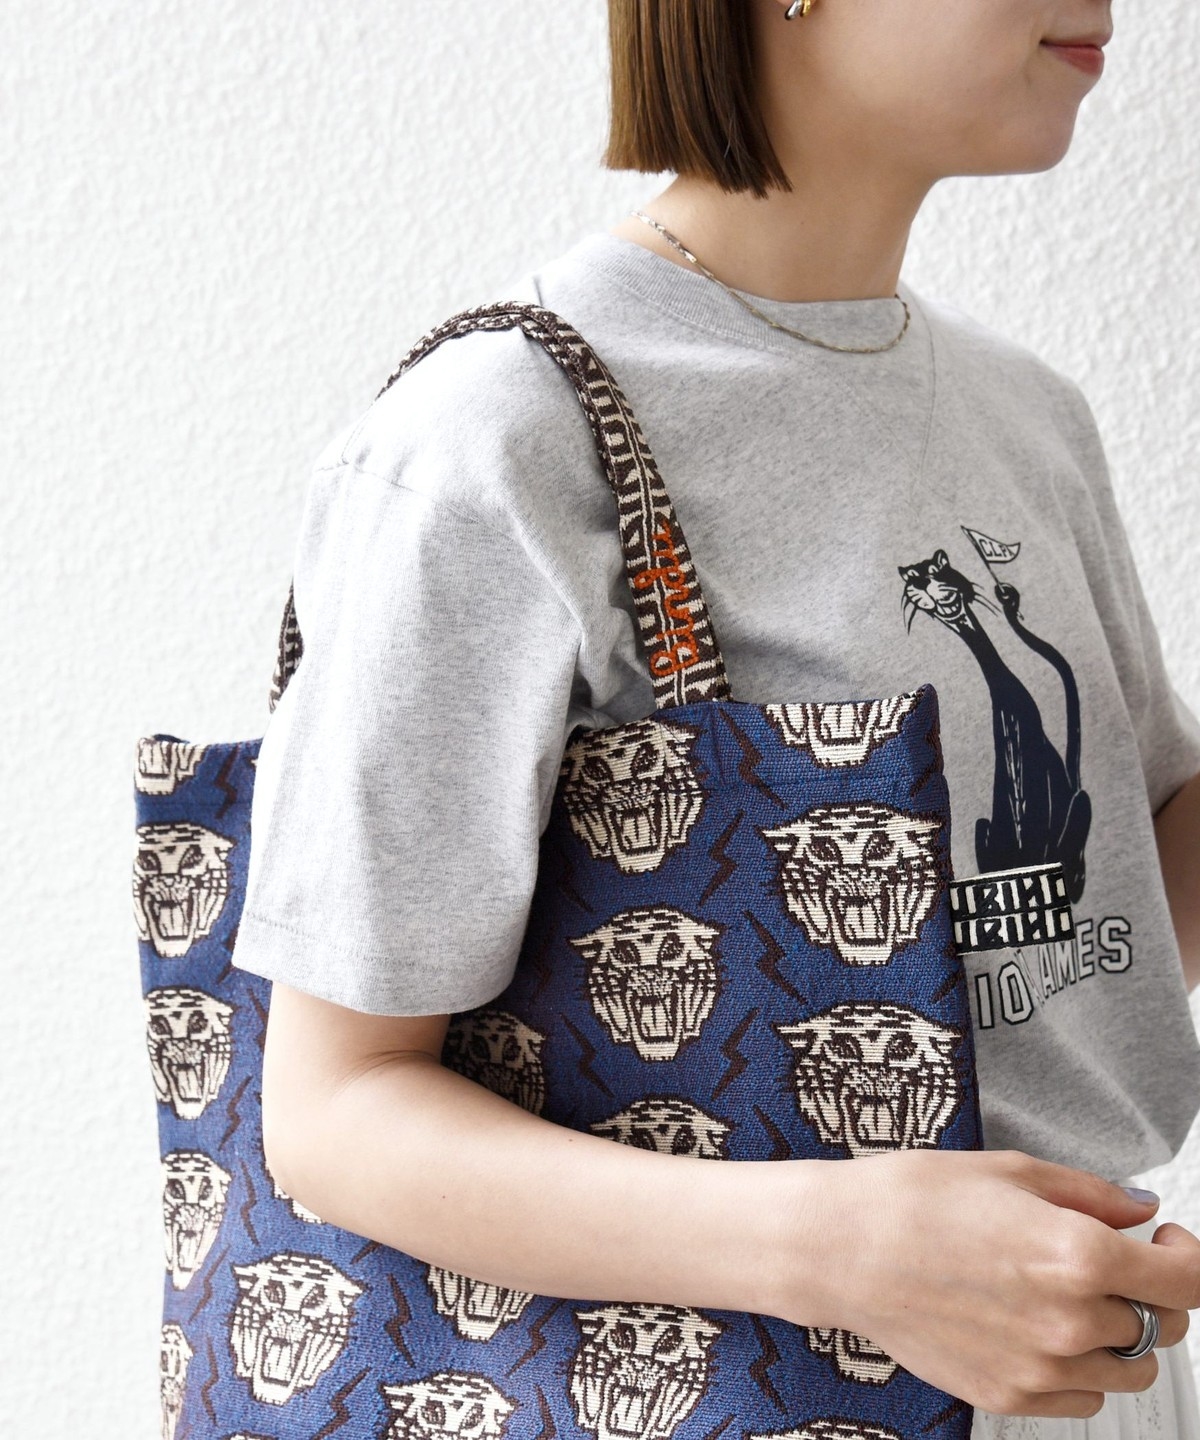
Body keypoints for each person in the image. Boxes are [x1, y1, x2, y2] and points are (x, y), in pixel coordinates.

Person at [229, 1, 1200, 1435]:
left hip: (1092, 1364)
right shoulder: (496, 438)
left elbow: (1105, 909)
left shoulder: (1027, 415)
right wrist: (851, 1253)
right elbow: (334, 1115)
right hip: (721, 1383)